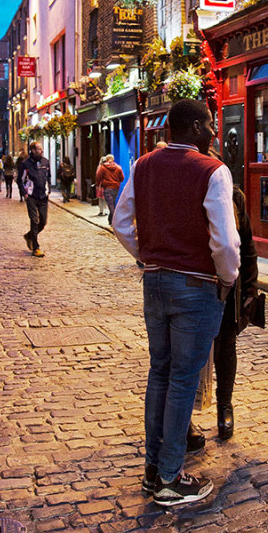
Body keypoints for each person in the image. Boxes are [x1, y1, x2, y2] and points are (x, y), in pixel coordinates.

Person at [111, 99, 240, 507]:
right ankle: (169, 477)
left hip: (155, 282)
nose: (213, 131)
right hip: (196, 283)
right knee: (183, 378)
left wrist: (146, 256)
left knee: (160, 373)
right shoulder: (212, 171)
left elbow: (120, 221)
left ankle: (154, 469)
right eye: (208, 124)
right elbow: (225, 241)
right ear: (194, 127)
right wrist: (228, 277)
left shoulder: (142, 165)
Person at [211, 146, 260, 442]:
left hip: (229, 288)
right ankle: (187, 417)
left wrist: (250, 289)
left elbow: (248, 247)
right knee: (192, 357)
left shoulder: (236, 198)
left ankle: (224, 406)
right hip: (199, 285)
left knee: (226, 349)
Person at [16, 142, 50, 257]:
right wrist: (24, 193)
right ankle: (36, 247)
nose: (41, 151)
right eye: (39, 149)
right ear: (33, 150)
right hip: (31, 196)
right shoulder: (25, 164)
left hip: (43, 196)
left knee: (43, 221)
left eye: (41, 149)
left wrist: (48, 189)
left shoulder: (45, 161)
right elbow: (20, 180)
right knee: (34, 221)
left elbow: (48, 176)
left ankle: (29, 236)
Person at [96, 154, 125, 220]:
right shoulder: (118, 167)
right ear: (113, 159)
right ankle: (110, 220)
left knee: (110, 204)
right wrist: (117, 181)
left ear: (106, 159)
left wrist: (98, 184)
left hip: (107, 187)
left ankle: (116, 220)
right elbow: (122, 178)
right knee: (112, 202)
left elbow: (98, 176)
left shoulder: (103, 167)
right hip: (116, 187)